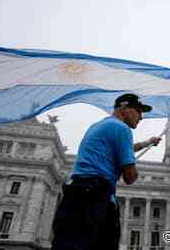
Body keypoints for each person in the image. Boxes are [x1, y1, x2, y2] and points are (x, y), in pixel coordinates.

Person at [51, 93, 161, 250]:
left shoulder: (100, 126)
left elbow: (119, 146)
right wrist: (129, 163)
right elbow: (130, 177)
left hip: (74, 193)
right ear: (124, 108)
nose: (141, 117)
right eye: (138, 111)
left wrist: (147, 143)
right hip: (96, 195)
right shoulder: (122, 129)